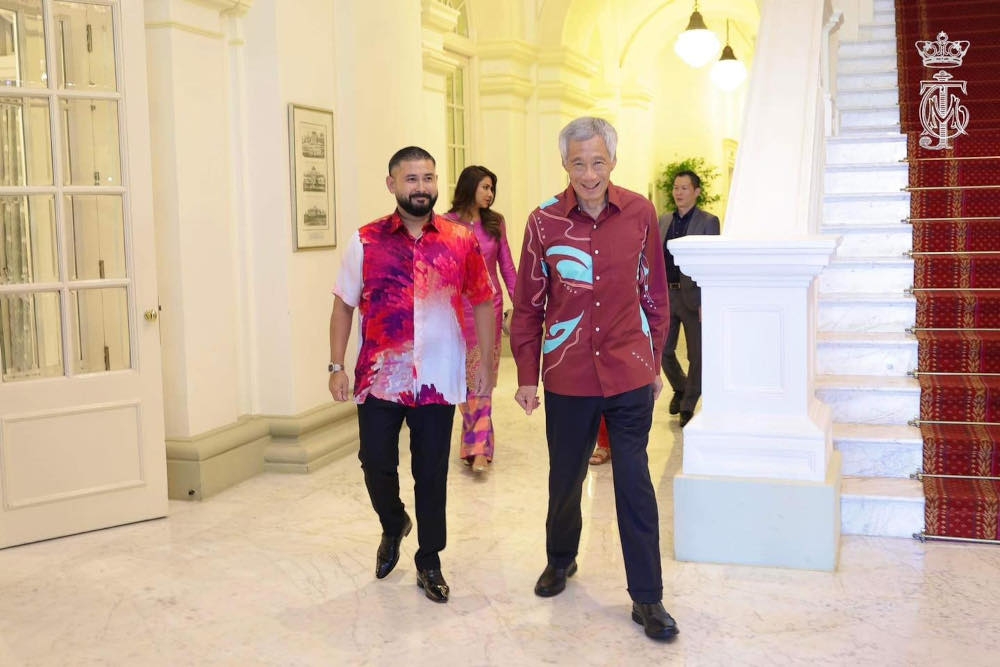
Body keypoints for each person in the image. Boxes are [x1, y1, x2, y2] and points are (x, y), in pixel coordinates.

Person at [509, 117, 679, 641]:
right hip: (568, 374)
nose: (588, 173)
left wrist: (654, 363)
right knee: (566, 478)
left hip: (628, 370)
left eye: (597, 162)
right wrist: (526, 376)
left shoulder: (641, 213)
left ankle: (647, 598)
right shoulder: (542, 223)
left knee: (634, 483)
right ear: (565, 164)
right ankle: (561, 560)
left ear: (612, 162)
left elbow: (654, 291)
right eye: (578, 163)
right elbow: (528, 305)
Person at [328, 146, 495, 604]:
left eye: (428, 178)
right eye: (411, 179)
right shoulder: (365, 241)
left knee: (432, 473)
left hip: (439, 378)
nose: (422, 187)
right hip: (381, 377)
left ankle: (430, 559)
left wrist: (483, 363)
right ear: (392, 185)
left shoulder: (460, 239)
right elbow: (343, 304)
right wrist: (336, 364)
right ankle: (393, 522)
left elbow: (482, 299)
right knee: (375, 463)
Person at [443, 165, 518, 474]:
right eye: (485, 187)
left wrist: (522, 308)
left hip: (489, 310)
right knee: (462, 382)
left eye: (492, 189)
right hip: (455, 315)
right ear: (469, 187)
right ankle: (476, 444)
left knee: (481, 379)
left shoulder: (495, 223)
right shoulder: (444, 224)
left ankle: (478, 451)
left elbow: (508, 268)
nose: (490, 194)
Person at [659, 170, 721, 428]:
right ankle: (681, 387)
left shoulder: (708, 222)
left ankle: (688, 404)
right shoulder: (663, 220)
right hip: (665, 293)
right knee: (662, 350)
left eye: (684, 188)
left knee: (697, 355)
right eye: (676, 187)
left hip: (694, 297)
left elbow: (713, 262)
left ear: (696, 192)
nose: (678, 192)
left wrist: (708, 299)